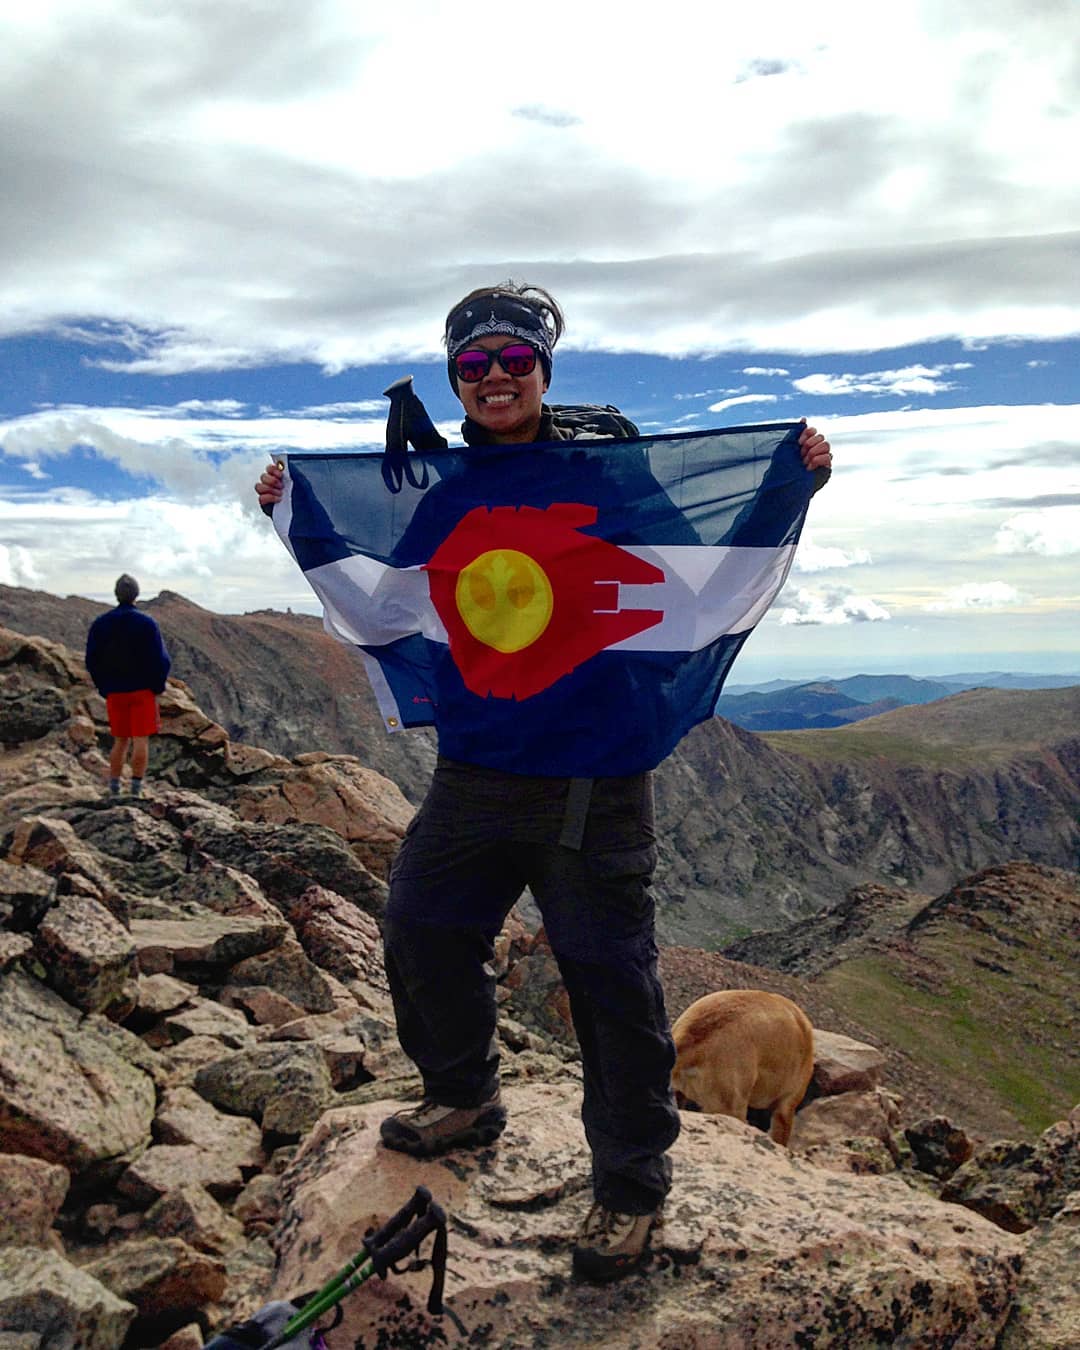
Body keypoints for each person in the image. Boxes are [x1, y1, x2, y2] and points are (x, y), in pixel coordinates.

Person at [255, 283, 833, 1283]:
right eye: (471, 365)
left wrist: (789, 485)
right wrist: (299, 516)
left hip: (591, 779)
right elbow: (392, 591)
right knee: (421, 929)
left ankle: (630, 1189)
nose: (492, 379)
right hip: (479, 765)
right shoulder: (451, 486)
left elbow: (691, 572)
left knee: (609, 983)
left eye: (511, 361)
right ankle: (464, 1095)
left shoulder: (604, 476)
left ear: (542, 371)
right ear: (455, 380)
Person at [85, 574, 171, 797]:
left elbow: (92, 659)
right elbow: (160, 659)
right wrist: (157, 685)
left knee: (120, 740)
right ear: (136, 595)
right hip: (142, 690)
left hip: (115, 691)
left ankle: (114, 786)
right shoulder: (147, 623)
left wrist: (103, 686)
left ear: (116, 594)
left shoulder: (101, 623)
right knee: (140, 740)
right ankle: (135, 788)